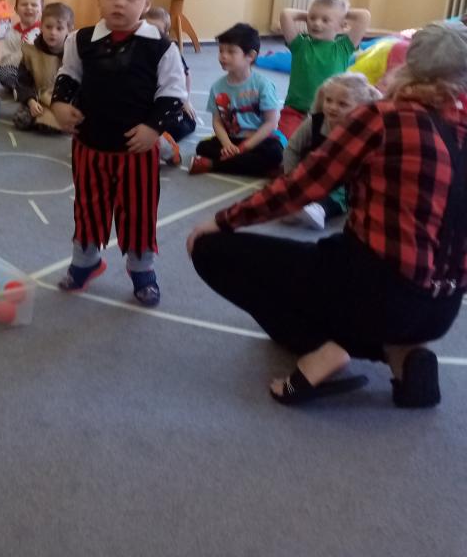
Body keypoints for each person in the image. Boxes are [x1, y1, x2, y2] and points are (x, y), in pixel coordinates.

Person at [188, 23, 467, 408]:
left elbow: (303, 186)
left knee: (212, 251)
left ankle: (325, 349)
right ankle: (401, 353)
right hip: (444, 307)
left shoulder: (384, 118)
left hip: (378, 289)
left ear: (406, 61)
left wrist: (223, 220)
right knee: (334, 255)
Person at [49, 0, 187, 307]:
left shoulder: (161, 47)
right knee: (88, 207)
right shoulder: (80, 40)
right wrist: (59, 104)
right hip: (89, 146)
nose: (120, 3)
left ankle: (142, 270)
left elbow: (173, 94)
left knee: (138, 212)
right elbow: (68, 75)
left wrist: (154, 129)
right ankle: (85, 262)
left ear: (147, 2)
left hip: (136, 151)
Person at [281, 72, 381, 229]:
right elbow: (292, 149)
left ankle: (321, 209)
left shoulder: (363, 131)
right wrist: (291, 177)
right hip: (313, 174)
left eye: (343, 104)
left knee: (342, 191)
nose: (333, 107)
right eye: (328, 100)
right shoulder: (314, 122)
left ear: (360, 108)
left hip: (344, 183)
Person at [189, 23, 284, 177]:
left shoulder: (263, 85)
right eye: (221, 50)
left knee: (274, 152)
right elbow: (217, 121)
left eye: (231, 52)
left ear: (250, 56)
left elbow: (271, 123)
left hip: (258, 140)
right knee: (202, 147)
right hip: (232, 139)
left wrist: (246, 146)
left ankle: (213, 165)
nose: (223, 56)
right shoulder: (217, 87)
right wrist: (227, 144)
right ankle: (255, 167)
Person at [278, 0, 370, 135]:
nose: (316, 23)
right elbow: (286, 14)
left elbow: (364, 16)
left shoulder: (343, 48)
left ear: (342, 26)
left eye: (325, 20)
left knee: (328, 143)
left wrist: (340, 15)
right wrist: (309, 15)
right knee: (283, 142)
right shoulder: (299, 45)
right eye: (312, 18)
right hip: (296, 111)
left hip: (329, 113)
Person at [142, 6, 197, 164]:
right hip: (147, 104)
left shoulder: (169, 51)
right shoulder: (137, 48)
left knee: (185, 123)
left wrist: (185, 100)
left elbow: (185, 75)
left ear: (166, 34)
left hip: (167, 103)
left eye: (157, 31)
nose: (151, 35)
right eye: (147, 30)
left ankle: (164, 143)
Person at [14, 2, 73, 133]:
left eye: (59, 28)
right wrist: (31, 101)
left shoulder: (73, 53)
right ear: (41, 26)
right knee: (21, 119)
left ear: (69, 29)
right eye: (48, 27)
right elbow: (23, 82)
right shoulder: (31, 53)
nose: (53, 33)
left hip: (63, 102)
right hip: (38, 99)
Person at [0, 0, 44, 98]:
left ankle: (28, 90)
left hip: (40, 72)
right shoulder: (10, 33)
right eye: (24, 4)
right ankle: (19, 88)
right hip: (18, 72)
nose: (29, 7)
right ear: (16, 9)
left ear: (41, 10)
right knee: (3, 73)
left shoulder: (44, 31)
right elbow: (5, 62)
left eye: (34, 5)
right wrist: (23, 51)